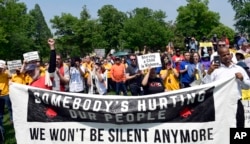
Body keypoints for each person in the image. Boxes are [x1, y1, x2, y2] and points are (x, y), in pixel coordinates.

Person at [202, 46, 250, 127]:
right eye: (224, 55)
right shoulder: (214, 70)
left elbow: (247, 86)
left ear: (231, 55)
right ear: (219, 57)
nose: (227, 57)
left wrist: (242, 79)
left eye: (228, 54)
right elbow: (205, 86)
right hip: (220, 105)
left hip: (236, 103)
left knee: (239, 128)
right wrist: (209, 73)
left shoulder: (239, 69)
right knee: (223, 130)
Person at [0, 61, 12, 136]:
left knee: (10, 108)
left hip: (6, 94)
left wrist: (5, 68)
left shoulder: (5, 73)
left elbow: (11, 76)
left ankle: (12, 119)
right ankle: (1, 127)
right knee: (0, 112)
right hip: (0, 95)